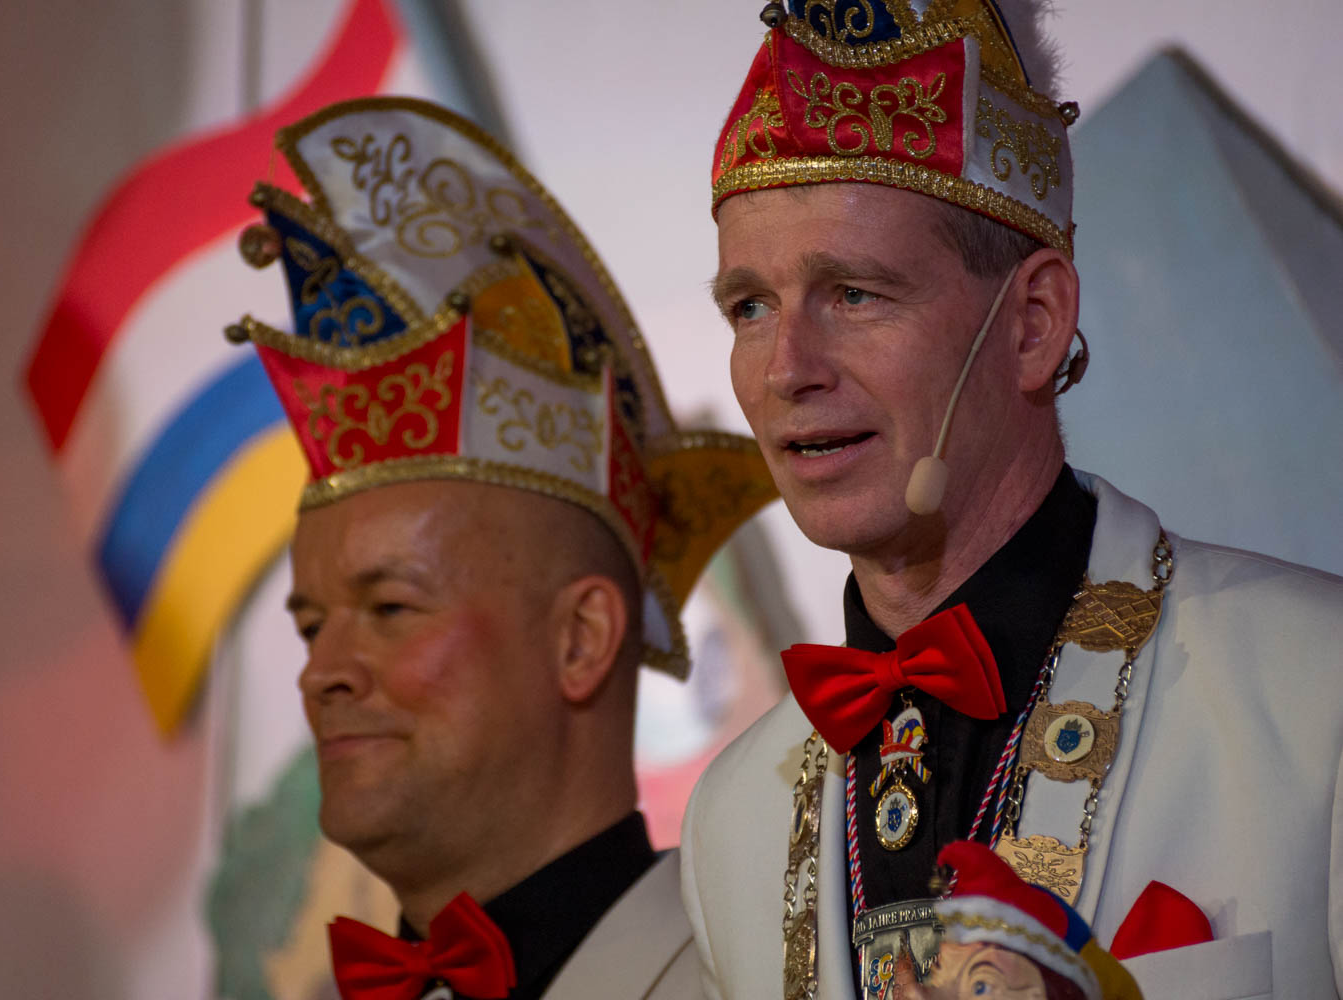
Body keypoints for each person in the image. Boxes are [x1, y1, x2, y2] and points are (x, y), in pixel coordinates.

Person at [678, 2, 1343, 999]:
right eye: (750, 306)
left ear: (1033, 323)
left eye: (854, 293)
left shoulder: (1318, 692)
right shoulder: (728, 821)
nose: (786, 369)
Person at [229, 97, 774, 999]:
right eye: (312, 625)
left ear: (581, 639)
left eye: (390, 607)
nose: (320, 674)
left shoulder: (771, 980)